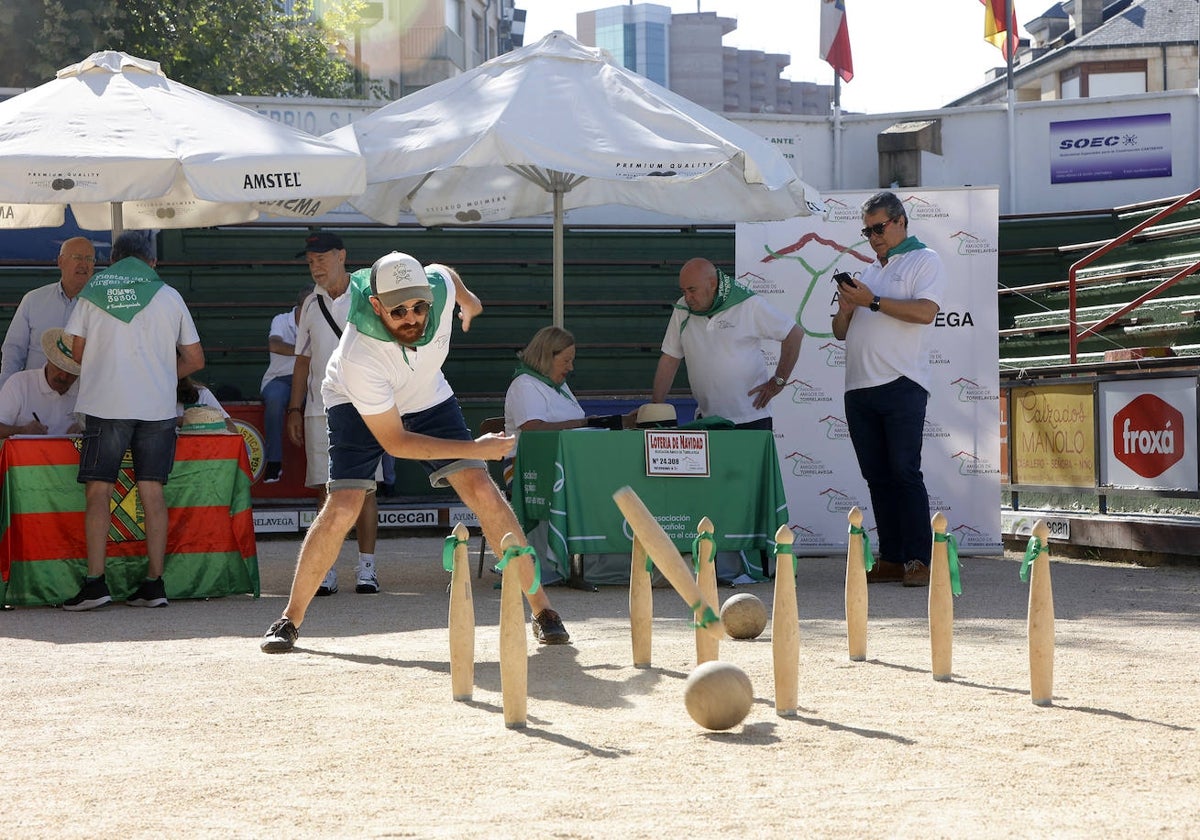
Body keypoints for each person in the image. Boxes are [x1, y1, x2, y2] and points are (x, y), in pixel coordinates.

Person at [261, 251, 571, 653]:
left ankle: (543, 611)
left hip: (426, 393)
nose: (412, 317)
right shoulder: (360, 355)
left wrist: (469, 299)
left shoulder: (438, 288)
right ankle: (290, 618)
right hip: (356, 401)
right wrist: (474, 448)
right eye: (399, 310)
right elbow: (396, 443)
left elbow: (448, 274)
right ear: (376, 305)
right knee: (343, 505)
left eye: (419, 306)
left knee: (481, 488)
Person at [62, 231, 205, 610]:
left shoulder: (94, 293)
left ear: (115, 261)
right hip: (157, 410)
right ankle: (154, 585)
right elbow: (194, 359)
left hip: (106, 405)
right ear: (151, 263)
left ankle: (95, 584)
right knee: (152, 493)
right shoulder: (170, 295)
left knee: (98, 492)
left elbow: (76, 352)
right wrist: (159, 377)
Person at [832, 190, 946, 588]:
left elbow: (926, 312)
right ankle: (893, 557)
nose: (873, 236)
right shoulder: (872, 270)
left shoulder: (924, 259)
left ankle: (920, 559)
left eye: (878, 227)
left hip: (901, 383)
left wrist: (874, 301)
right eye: (867, 230)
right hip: (858, 387)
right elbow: (839, 332)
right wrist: (848, 308)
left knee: (903, 472)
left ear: (900, 221)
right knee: (877, 477)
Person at [286, 232, 379, 595]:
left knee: (367, 488)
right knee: (326, 490)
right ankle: (326, 568)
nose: (316, 266)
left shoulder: (369, 298)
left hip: (366, 406)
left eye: (322, 258)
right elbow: (302, 362)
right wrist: (294, 407)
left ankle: (367, 568)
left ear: (342, 255)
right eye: (310, 260)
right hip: (319, 407)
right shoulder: (311, 304)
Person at [651, 257, 803, 430]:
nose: (687, 297)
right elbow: (670, 359)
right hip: (707, 419)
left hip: (751, 418)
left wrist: (778, 382)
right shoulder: (683, 308)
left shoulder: (748, 304)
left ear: (713, 283)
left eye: (692, 290)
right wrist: (655, 410)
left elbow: (794, 333)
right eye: (683, 291)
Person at [0, 237, 95, 390]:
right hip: (34, 396)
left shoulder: (101, 308)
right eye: (77, 257)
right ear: (60, 261)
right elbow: (14, 349)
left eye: (89, 259)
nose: (83, 264)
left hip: (81, 398)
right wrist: (5, 388)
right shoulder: (33, 300)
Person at [260, 286, 312, 483]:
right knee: (274, 399)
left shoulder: (320, 321)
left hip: (310, 381)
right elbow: (274, 344)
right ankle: (273, 462)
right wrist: (305, 351)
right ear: (299, 307)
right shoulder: (281, 319)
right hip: (278, 378)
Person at [0, 327, 82, 438]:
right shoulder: (19, 383)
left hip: (71, 454)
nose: (63, 377)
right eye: (59, 368)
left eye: (71, 373)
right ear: (49, 359)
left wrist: (85, 429)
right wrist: (21, 430)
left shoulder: (85, 390)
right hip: (28, 454)